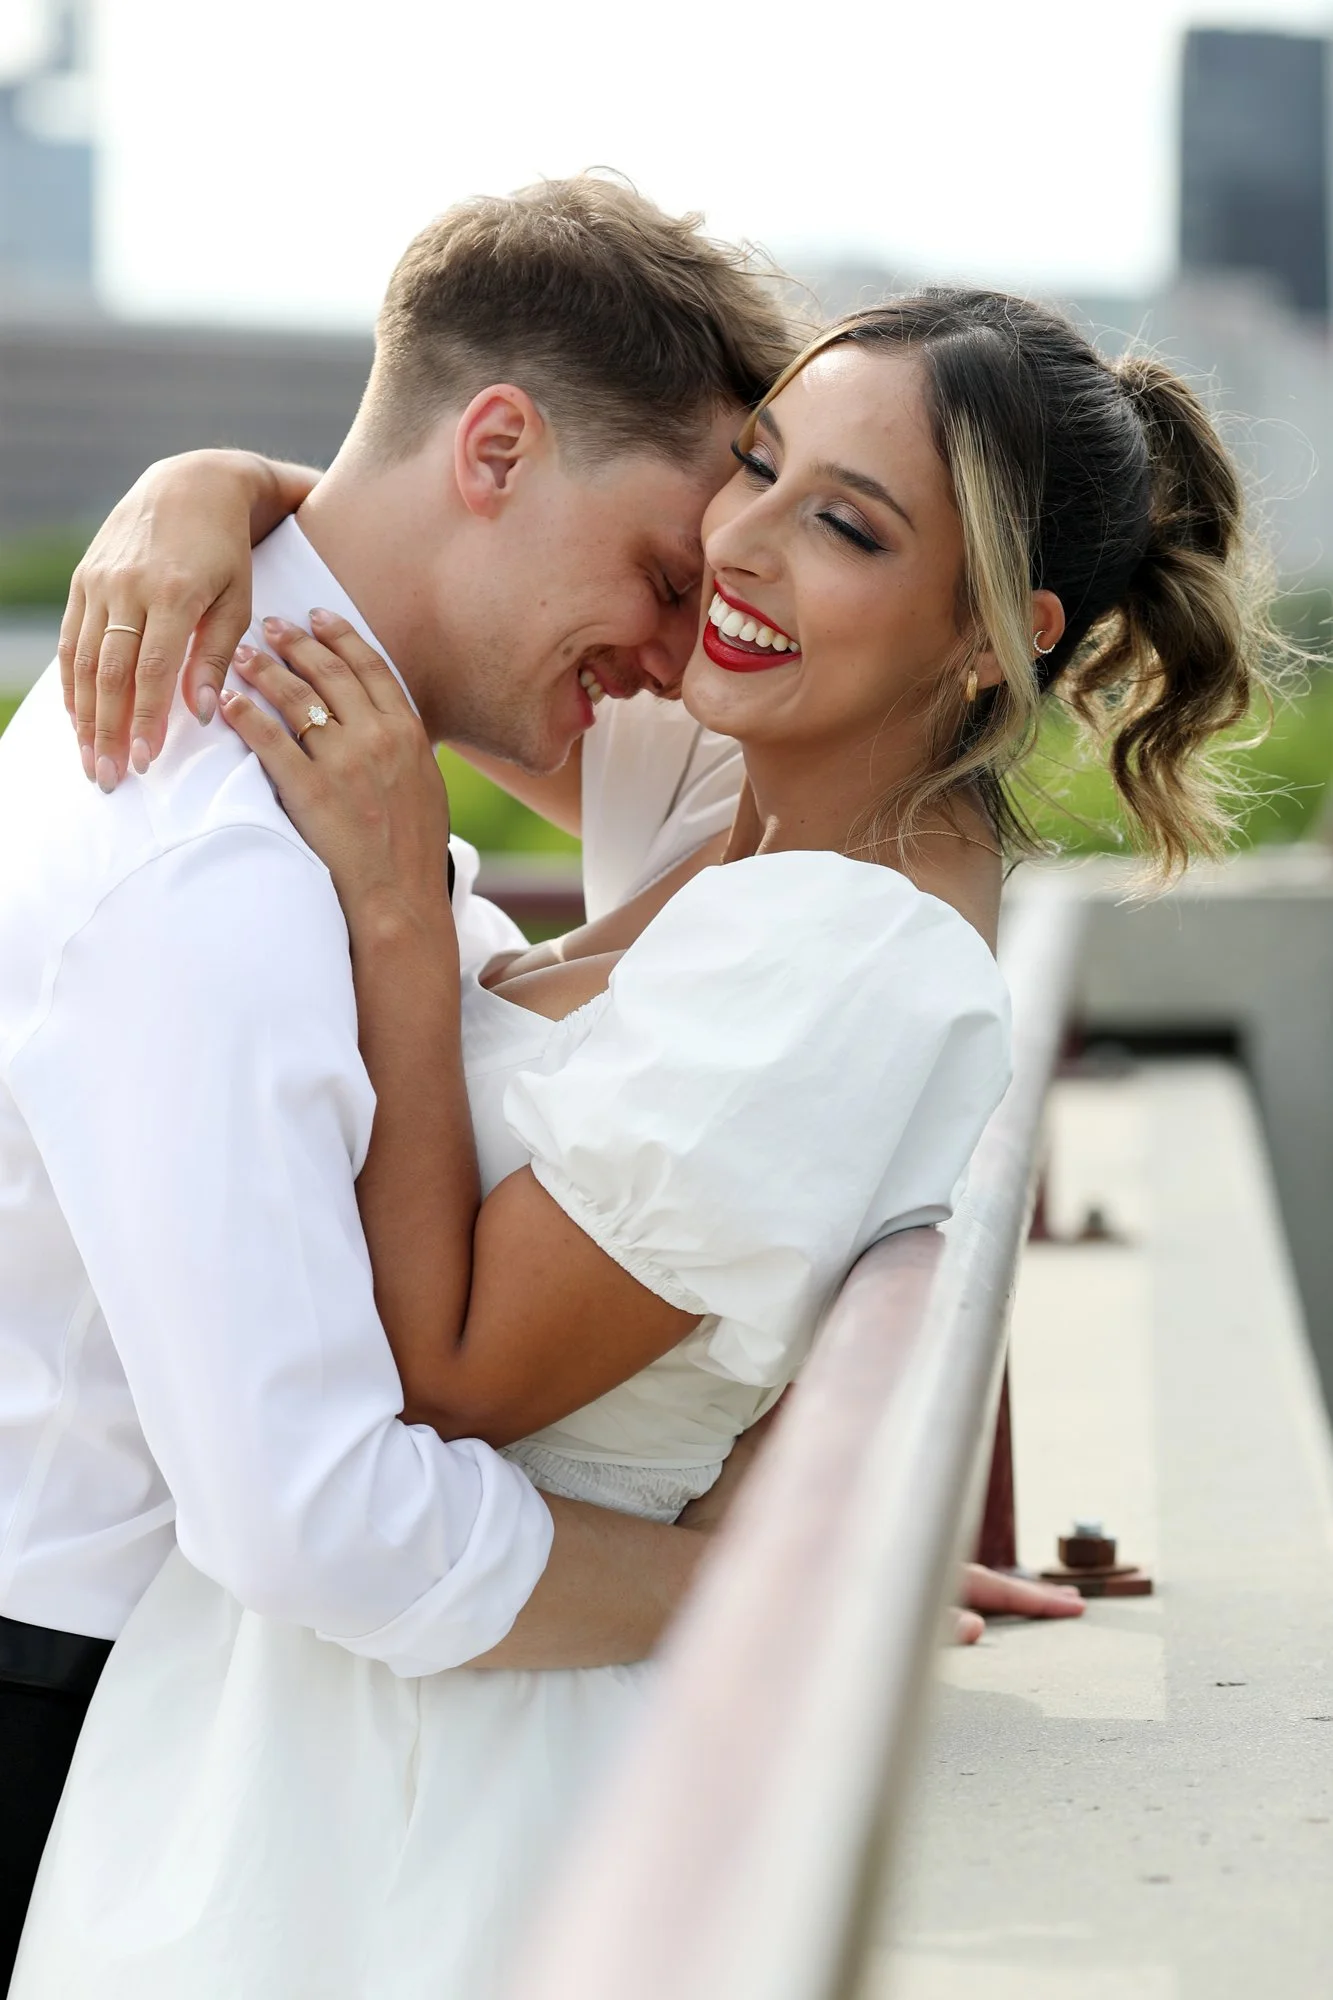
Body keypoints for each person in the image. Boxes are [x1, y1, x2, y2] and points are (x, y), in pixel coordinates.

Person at [10, 286, 1269, 1998]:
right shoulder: (742, 789)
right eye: (755, 464)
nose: (732, 543)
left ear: (995, 634)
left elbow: (451, 1374)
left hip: (441, 1765)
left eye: (845, 523)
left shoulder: (849, 951)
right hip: (330, 1685)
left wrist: (398, 902)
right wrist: (202, 485)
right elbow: (453, 549)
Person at [0, 174, 801, 1985]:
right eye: (668, 580)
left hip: (209, 1707)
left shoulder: (310, 728)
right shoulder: (207, 858)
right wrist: (777, 1588)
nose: (677, 657)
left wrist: (228, 479)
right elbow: (316, 1516)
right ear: (498, 446)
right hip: (80, 1737)